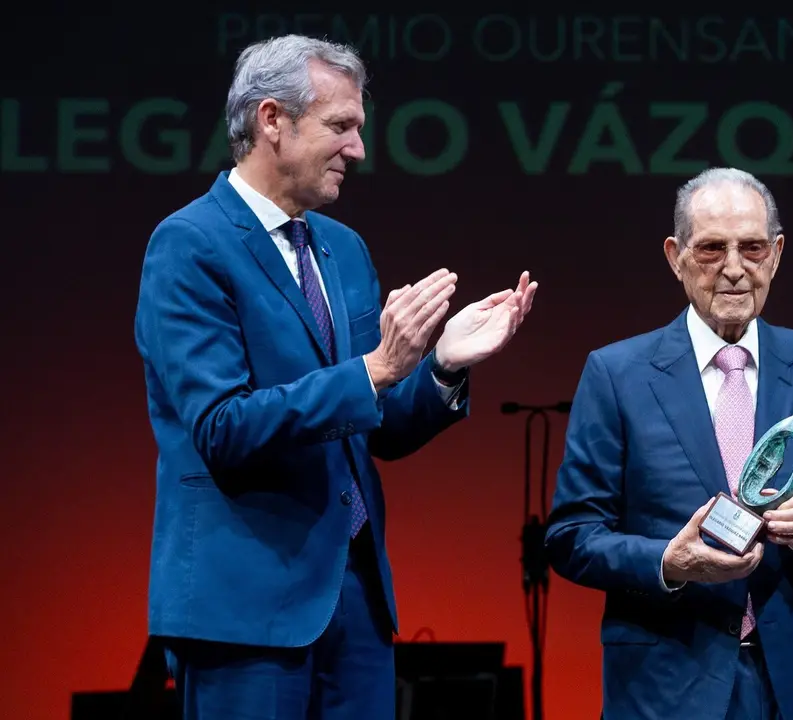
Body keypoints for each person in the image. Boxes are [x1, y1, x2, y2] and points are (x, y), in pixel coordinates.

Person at [133, 35, 537, 719]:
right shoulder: (191, 244)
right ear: (272, 121)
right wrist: (376, 367)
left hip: (354, 600)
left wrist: (442, 365)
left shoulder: (341, 249)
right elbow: (223, 427)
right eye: (341, 126)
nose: (359, 149)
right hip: (245, 611)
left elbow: (372, 424)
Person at [544, 167, 793, 720]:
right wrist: (669, 562)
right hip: (669, 680)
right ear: (675, 256)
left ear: (776, 254)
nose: (734, 269)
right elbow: (571, 536)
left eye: (752, 248)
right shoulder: (616, 374)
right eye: (710, 249)